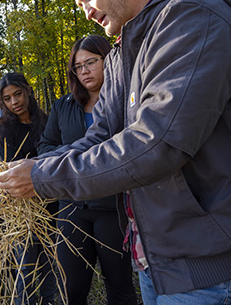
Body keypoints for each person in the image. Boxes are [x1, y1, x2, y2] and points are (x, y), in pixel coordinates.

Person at [0, 0, 231, 304]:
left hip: (207, 264)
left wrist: (43, 177)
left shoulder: (196, 21)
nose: (87, 12)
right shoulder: (123, 51)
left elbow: (158, 143)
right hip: (155, 258)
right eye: (79, 3)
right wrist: (30, 169)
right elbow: (100, 136)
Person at [37, 35, 136, 305]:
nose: (84, 71)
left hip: (112, 208)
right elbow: (46, 146)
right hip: (72, 210)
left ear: (108, 60)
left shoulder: (128, 103)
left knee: (120, 287)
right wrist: (64, 163)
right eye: (78, 67)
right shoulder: (63, 106)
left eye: (91, 62)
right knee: (72, 289)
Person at [0, 73, 54, 305]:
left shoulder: (47, 122)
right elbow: (14, 170)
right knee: (26, 268)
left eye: (18, 94)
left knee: (51, 265)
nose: (14, 102)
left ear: (28, 90)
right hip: (22, 211)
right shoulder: (3, 129)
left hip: (52, 204)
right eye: (7, 98)